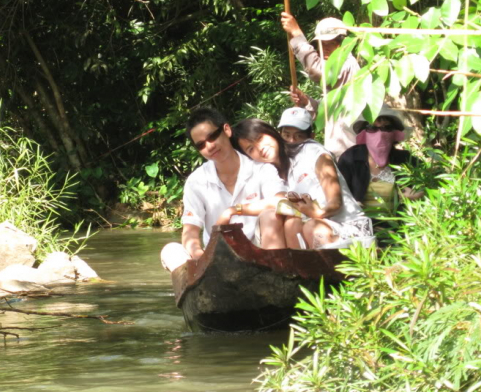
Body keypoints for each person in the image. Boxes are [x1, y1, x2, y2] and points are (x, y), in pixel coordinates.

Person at [160, 108, 290, 272]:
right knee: (170, 251)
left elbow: (282, 202)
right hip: (218, 258)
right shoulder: (196, 181)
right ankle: (200, 288)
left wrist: (235, 210)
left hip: (259, 250)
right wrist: (201, 259)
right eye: (201, 145)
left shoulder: (261, 169)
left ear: (226, 130)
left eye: (212, 136)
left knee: (270, 215)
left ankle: (277, 276)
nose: (210, 146)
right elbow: (190, 233)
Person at [231, 118, 373, 250]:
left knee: (310, 226)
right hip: (308, 234)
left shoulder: (309, 150)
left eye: (260, 138)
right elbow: (275, 203)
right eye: (251, 149)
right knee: (284, 220)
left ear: (272, 132)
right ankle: (287, 274)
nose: (260, 148)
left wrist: (318, 213)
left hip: (349, 228)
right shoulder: (269, 176)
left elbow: (335, 203)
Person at [281, 12, 359, 157]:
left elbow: (318, 71)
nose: (325, 49)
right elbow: (329, 111)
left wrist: (297, 34)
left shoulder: (347, 63)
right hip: (339, 151)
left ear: (344, 43)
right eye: (322, 44)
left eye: (330, 44)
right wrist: (307, 102)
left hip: (352, 151)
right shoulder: (338, 68)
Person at [337, 107, 423, 214]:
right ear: (364, 133)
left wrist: (420, 193)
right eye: (372, 128)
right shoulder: (351, 158)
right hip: (359, 224)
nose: (381, 134)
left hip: (397, 226)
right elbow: (338, 194)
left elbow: (431, 182)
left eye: (387, 128)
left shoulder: (405, 159)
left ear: (395, 133)